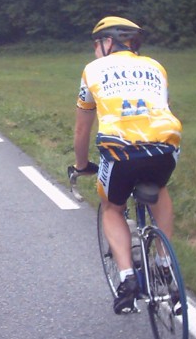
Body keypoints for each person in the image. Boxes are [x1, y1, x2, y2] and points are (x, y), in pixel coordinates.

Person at [72, 16, 182, 314]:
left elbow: (82, 130)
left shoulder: (92, 70)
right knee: (159, 188)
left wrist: (81, 165)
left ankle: (127, 278)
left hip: (120, 151)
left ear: (109, 42)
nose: (96, 50)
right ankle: (165, 262)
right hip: (166, 146)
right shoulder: (155, 66)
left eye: (97, 43)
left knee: (112, 207)